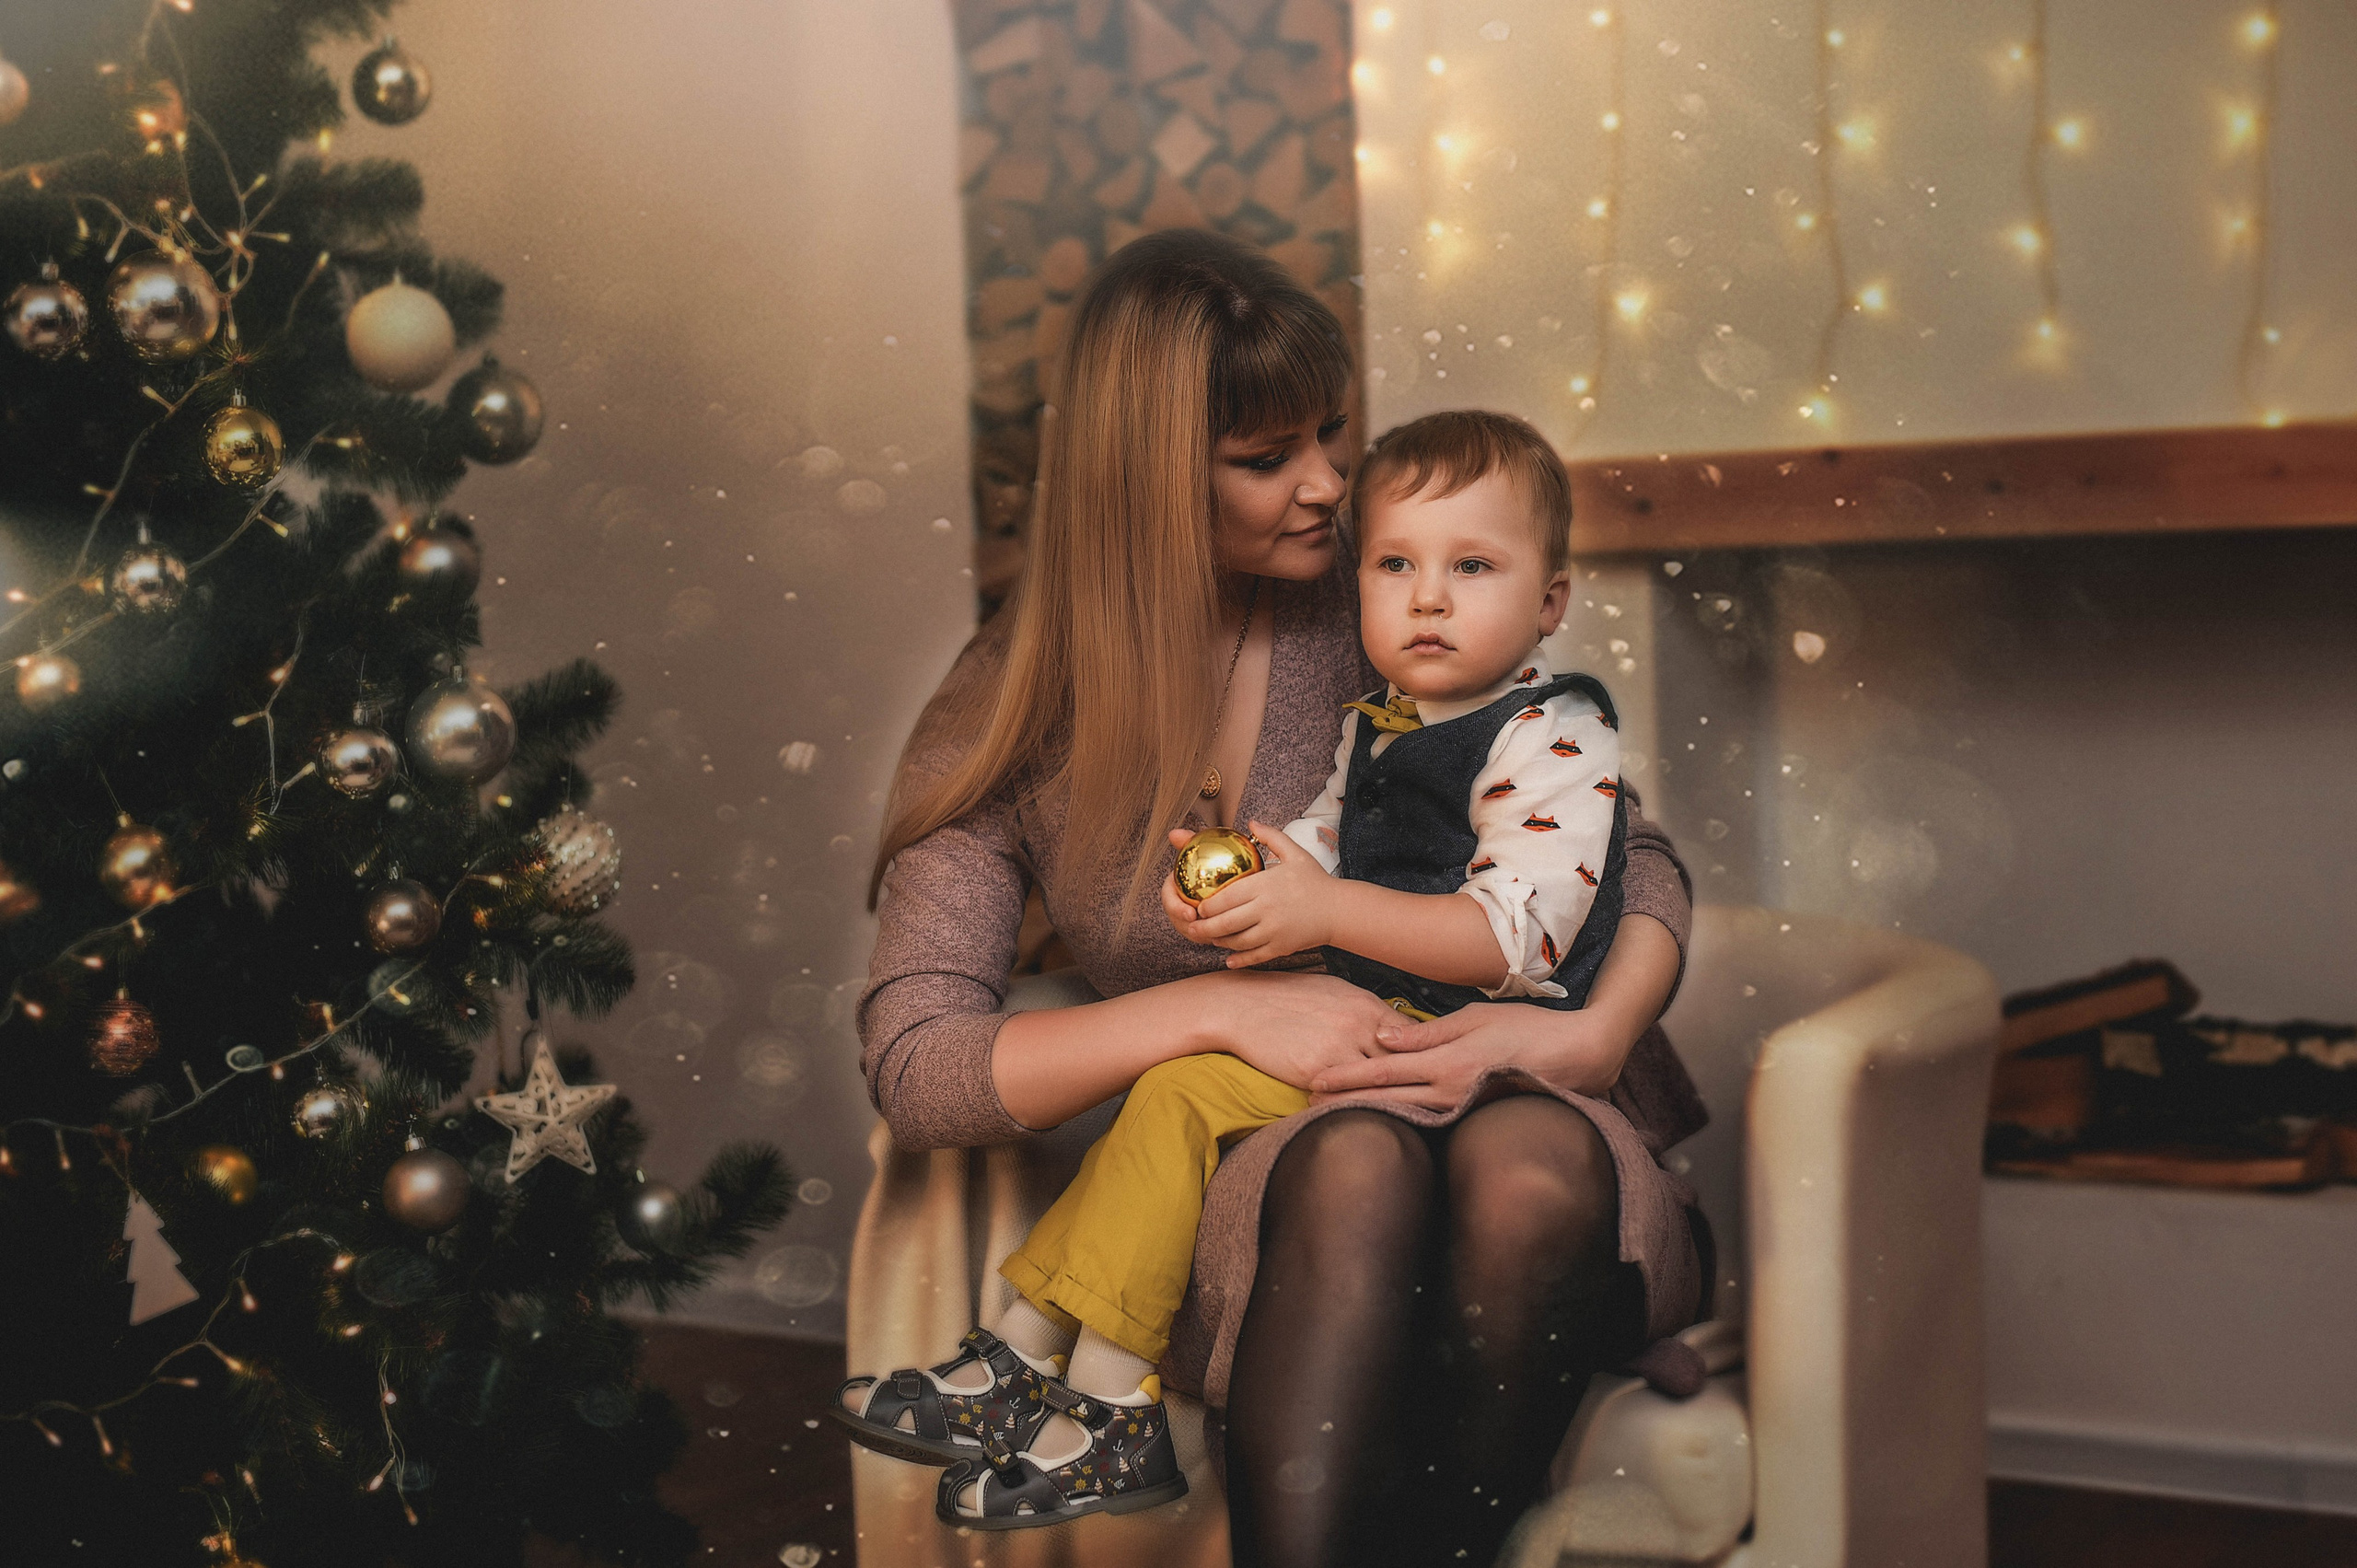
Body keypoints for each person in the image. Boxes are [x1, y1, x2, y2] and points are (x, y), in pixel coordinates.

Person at [840, 229, 1709, 1563]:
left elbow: (1618, 852)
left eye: (1332, 435)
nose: (1327, 488)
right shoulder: (1019, 707)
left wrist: (1588, 1037)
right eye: (1264, 459)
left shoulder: (1383, 598)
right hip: (1284, 1164)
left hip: (1532, 1100)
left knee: (1522, 1165)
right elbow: (921, 1065)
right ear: (1140, 482)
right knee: (1350, 1167)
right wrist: (1222, 1022)